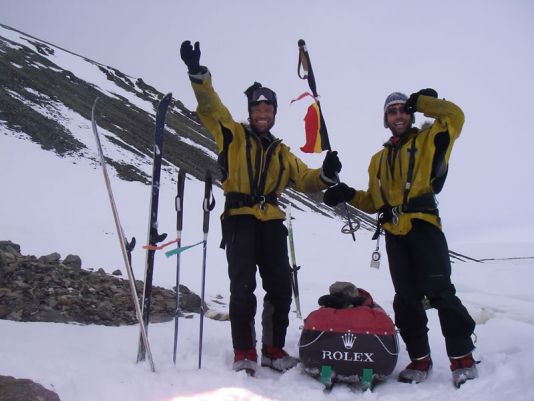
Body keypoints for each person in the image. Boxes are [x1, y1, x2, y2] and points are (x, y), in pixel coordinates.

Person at [180, 40, 341, 375]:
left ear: (274, 114)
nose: (263, 114)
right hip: (239, 219)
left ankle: (273, 349)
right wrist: (199, 76)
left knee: (280, 286)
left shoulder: (282, 153)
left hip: (271, 222)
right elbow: (212, 107)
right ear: (251, 112)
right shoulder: (232, 135)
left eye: (268, 110)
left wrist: (326, 173)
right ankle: (244, 353)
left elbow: (306, 179)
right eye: (258, 109)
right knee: (242, 288)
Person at [323, 89, 478, 386]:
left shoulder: (429, 139)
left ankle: (463, 357)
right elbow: (374, 201)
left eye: (403, 110)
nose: (398, 115)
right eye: (392, 111)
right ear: (385, 119)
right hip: (394, 233)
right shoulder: (377, 160)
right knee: (405, 300)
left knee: (441, 293)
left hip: (424, 225)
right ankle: (420, 359)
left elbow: (455, 115)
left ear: (411, 114)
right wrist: (348, 194)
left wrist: (422, 103)